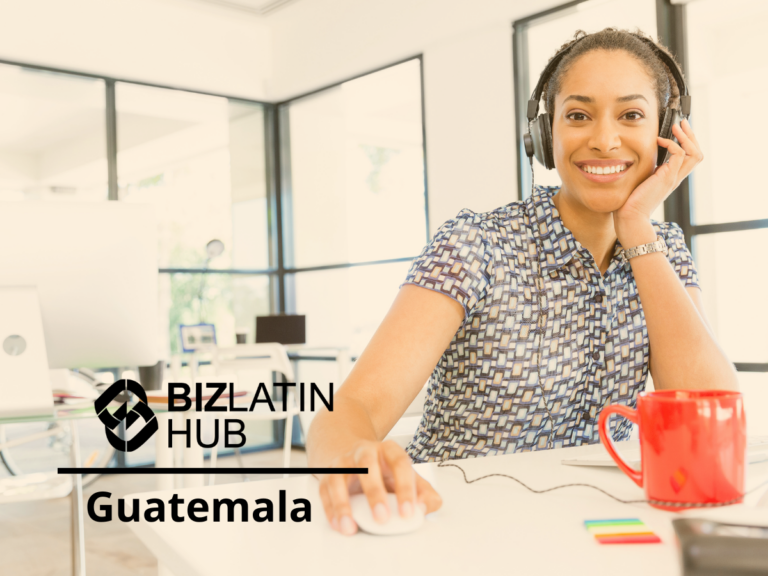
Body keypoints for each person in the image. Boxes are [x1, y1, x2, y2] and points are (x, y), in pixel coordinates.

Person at [307, 27, 739, 536]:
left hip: (591, 525)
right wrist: (356, 459)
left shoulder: (661, 250)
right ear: (544, 136)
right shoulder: (476, 245)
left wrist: (637, 227)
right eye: (578, 115)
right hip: (455, 525)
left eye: (631, 115)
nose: (604, 138)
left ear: (667, 132)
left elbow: (709, 420)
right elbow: (349, 408)